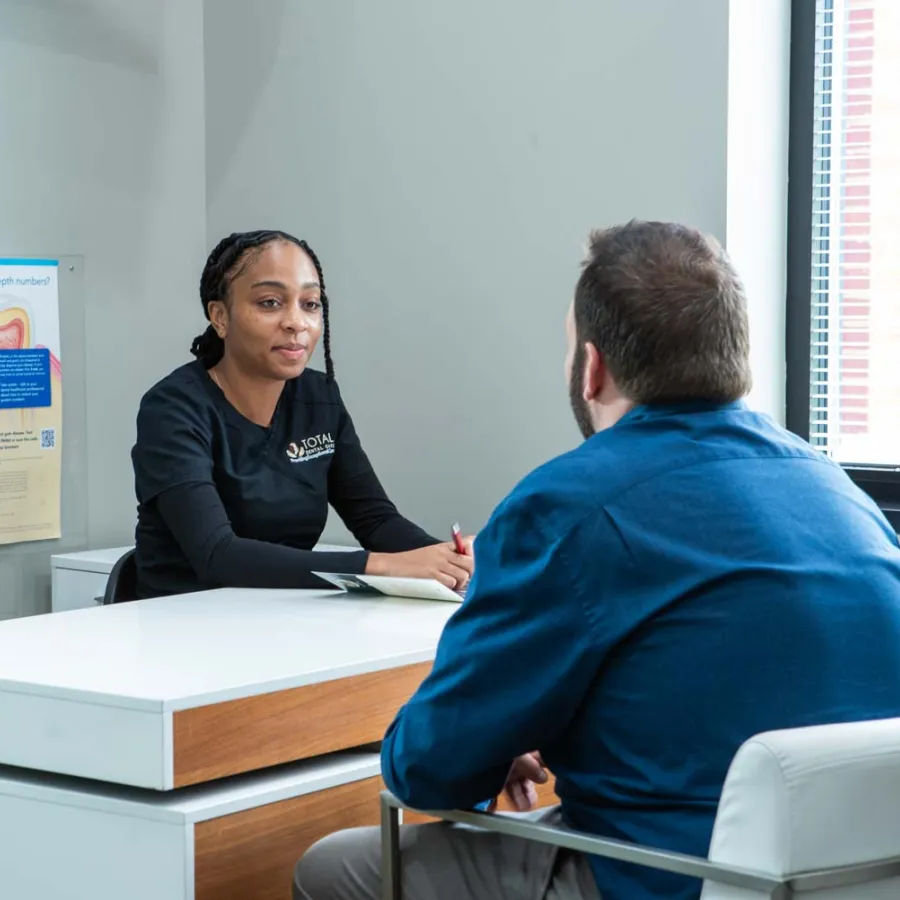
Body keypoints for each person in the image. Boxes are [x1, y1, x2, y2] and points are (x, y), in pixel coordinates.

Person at [293, 220, 900, 900]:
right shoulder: (837, 492)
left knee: (337, 868)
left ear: (592, 367)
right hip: (853, 882)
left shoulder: (566, 507)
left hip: (670, 880)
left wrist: (497, 742)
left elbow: (428, 772)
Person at [131, 229, 473, 599]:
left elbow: (376, 520)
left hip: (286, 618)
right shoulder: (172, 408)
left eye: (310, 304)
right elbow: (218, 555)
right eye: (270, 303)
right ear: (220, 316)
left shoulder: (318, 396)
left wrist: (447, 561)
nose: (296, 322)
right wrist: (382, 565)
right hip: (180, 625)